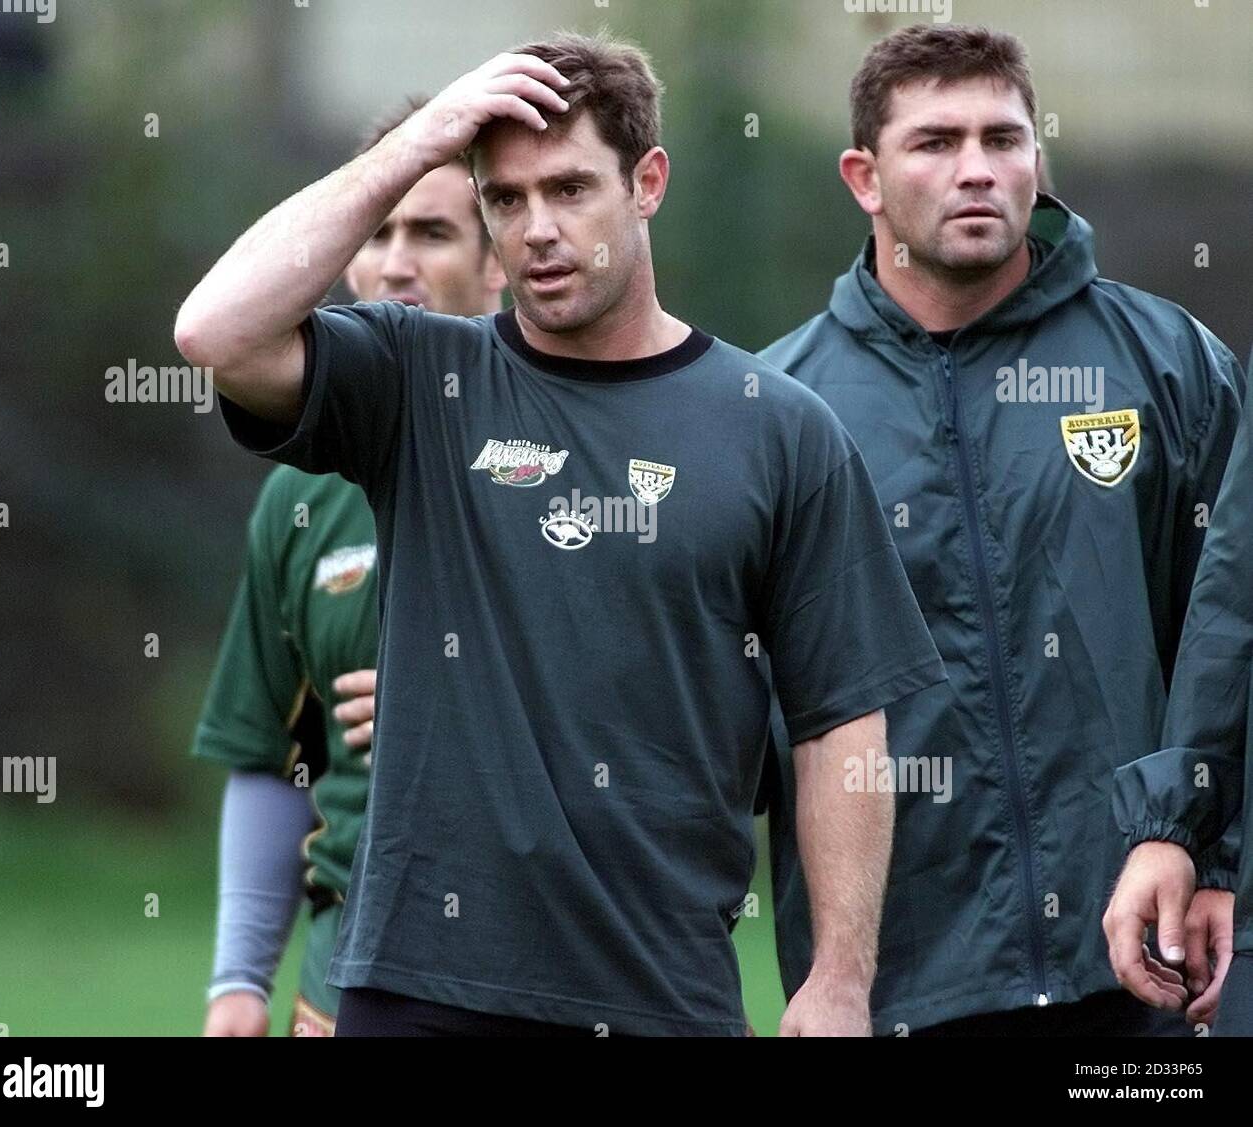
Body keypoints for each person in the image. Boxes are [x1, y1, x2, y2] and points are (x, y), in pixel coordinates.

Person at [175, 30, 944, 1036]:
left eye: (570, 190)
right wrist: (416, 145)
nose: (536, 227)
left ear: (647, 182)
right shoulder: (419, 380)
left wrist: (840, 973)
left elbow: (842, 723)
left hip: (660, 992)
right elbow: (215, 333)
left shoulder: (779, 427)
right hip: (418, 985)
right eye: (504, 198)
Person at [760, 22, 1244, 1036]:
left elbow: (1233, 636)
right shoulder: (777, 407)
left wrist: (1213, 852)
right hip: (901, 988)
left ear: (1038, 158)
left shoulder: (1168, 365)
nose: (975, 169)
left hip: (1143, 968)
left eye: (1003, 139)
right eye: (935, 143)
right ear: (864, 175)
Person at [193, 102, 507, 1037]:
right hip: (347, 974)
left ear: (499, 261)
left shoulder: (569, 458)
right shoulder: (298, 493)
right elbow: (270, 752)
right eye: (376, 232)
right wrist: (239, 979)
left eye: (434, 231)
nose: (397, 261)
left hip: (540, 966)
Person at [1106, 349, 1253, 1037]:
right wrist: (1186, 835)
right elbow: (1231, 604)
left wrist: (1215, 855)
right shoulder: (804, 390)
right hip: (927, 974)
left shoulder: (1173, 360)